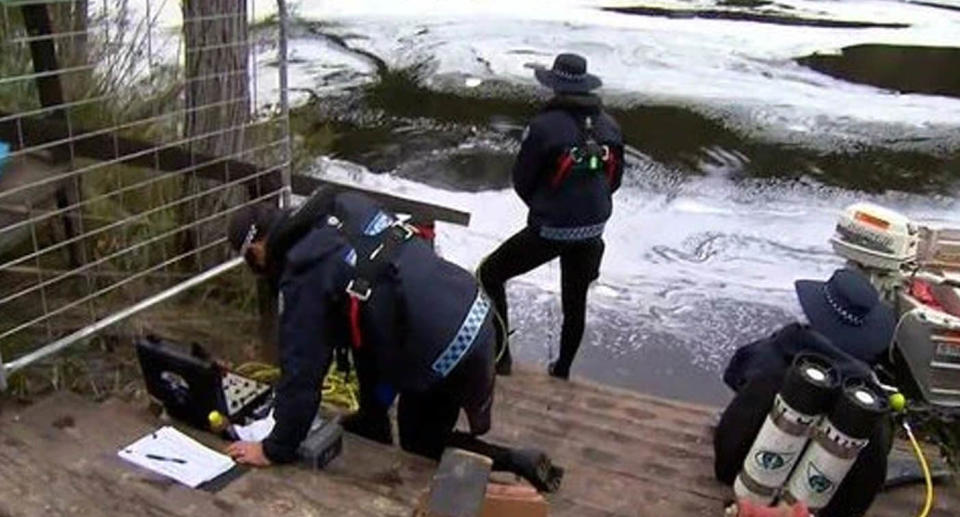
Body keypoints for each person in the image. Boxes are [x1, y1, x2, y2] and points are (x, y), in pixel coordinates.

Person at [223, 187, 563, 493]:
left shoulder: (304, 272)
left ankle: (515, 461)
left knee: (421, 443)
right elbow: (371, 298)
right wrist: (372, 409)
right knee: (372, 352)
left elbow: (302, 370)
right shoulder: (342, 204)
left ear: (255, 249)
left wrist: (274, 449)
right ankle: (372, 421)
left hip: (440, 346)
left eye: (251, 261)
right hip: (471, 309)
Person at [478, 53, 624, 379]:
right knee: (575, 300)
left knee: (488, 274)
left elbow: (523, 180)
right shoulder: (610, 125)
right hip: (593, 229)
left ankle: (502, 358)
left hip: (552, 228)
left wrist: (545, 209)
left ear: (555, 87)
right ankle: (562, 371)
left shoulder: (543, 127)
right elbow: (614, 181)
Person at [715, 268, 897, 517]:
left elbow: (734, 373)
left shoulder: (774, 357)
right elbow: (869, 477)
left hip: (743, 480)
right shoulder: (870, 400)